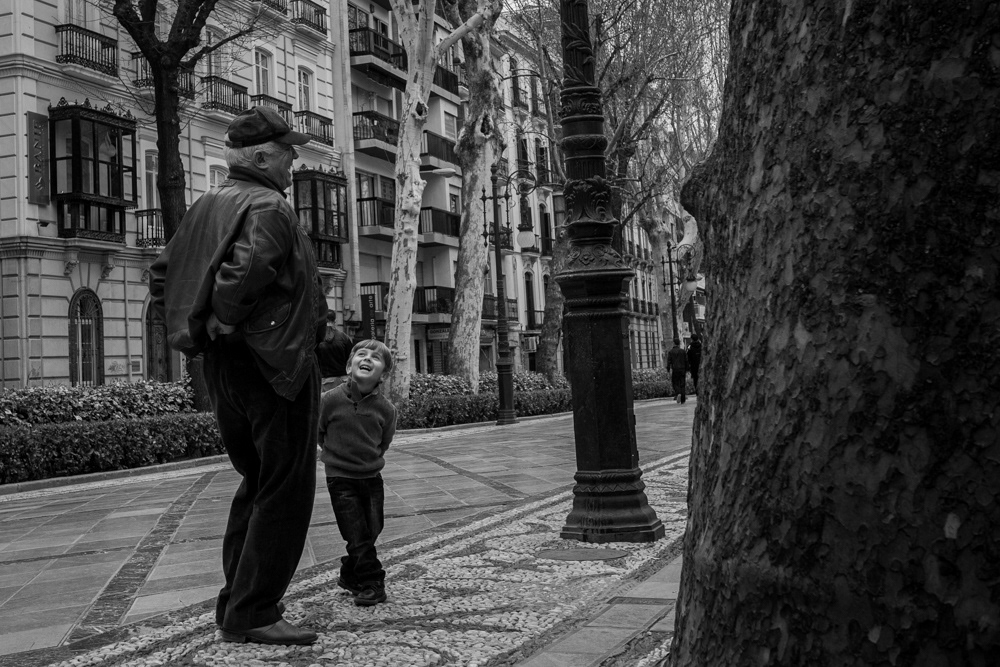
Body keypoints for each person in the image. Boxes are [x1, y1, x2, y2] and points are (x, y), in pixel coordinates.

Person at [148, 106, 327, 646]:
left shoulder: (208, 202)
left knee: (256, 482)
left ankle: (238, 605)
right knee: (285, 488)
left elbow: (162, 275)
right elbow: (247, 269)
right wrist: (226, 314)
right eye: (289, 152)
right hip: (275, 365)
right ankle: (254, 610)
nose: (294, 161)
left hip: (226, 367)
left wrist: (201, 330)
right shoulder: (268, 204)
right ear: (262, 156)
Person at [319, 339, 397, 607]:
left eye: (376, 358)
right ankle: (372, 581)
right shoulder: (329, 400)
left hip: (372, 478)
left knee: (373, 528)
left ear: (383, 374)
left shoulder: (386, 410)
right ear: (349, 366)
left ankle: (349, 572)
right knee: (356, 533)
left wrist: (370, 459)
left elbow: (383, 442)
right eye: (361, 354)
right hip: (340, 479)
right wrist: (336, 456)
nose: (367, 359)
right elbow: (319, 432)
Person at [316, 311, 354, 391]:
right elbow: (351, 358)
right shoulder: (344, 337)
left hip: (326, 380)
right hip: (344, 379)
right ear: (335, 321)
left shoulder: (318, 338)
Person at [667, 338, 688, 404]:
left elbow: (669, 361)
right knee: (682, 383)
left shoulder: (671, 352)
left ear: (674, 343)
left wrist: (668, 369)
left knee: (675, 382)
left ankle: (678, 392)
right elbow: (686, 361)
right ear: (679, 343)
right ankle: (683, 399)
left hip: (675, 369)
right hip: (682, 369)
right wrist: (687, 369)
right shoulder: (683, 351)